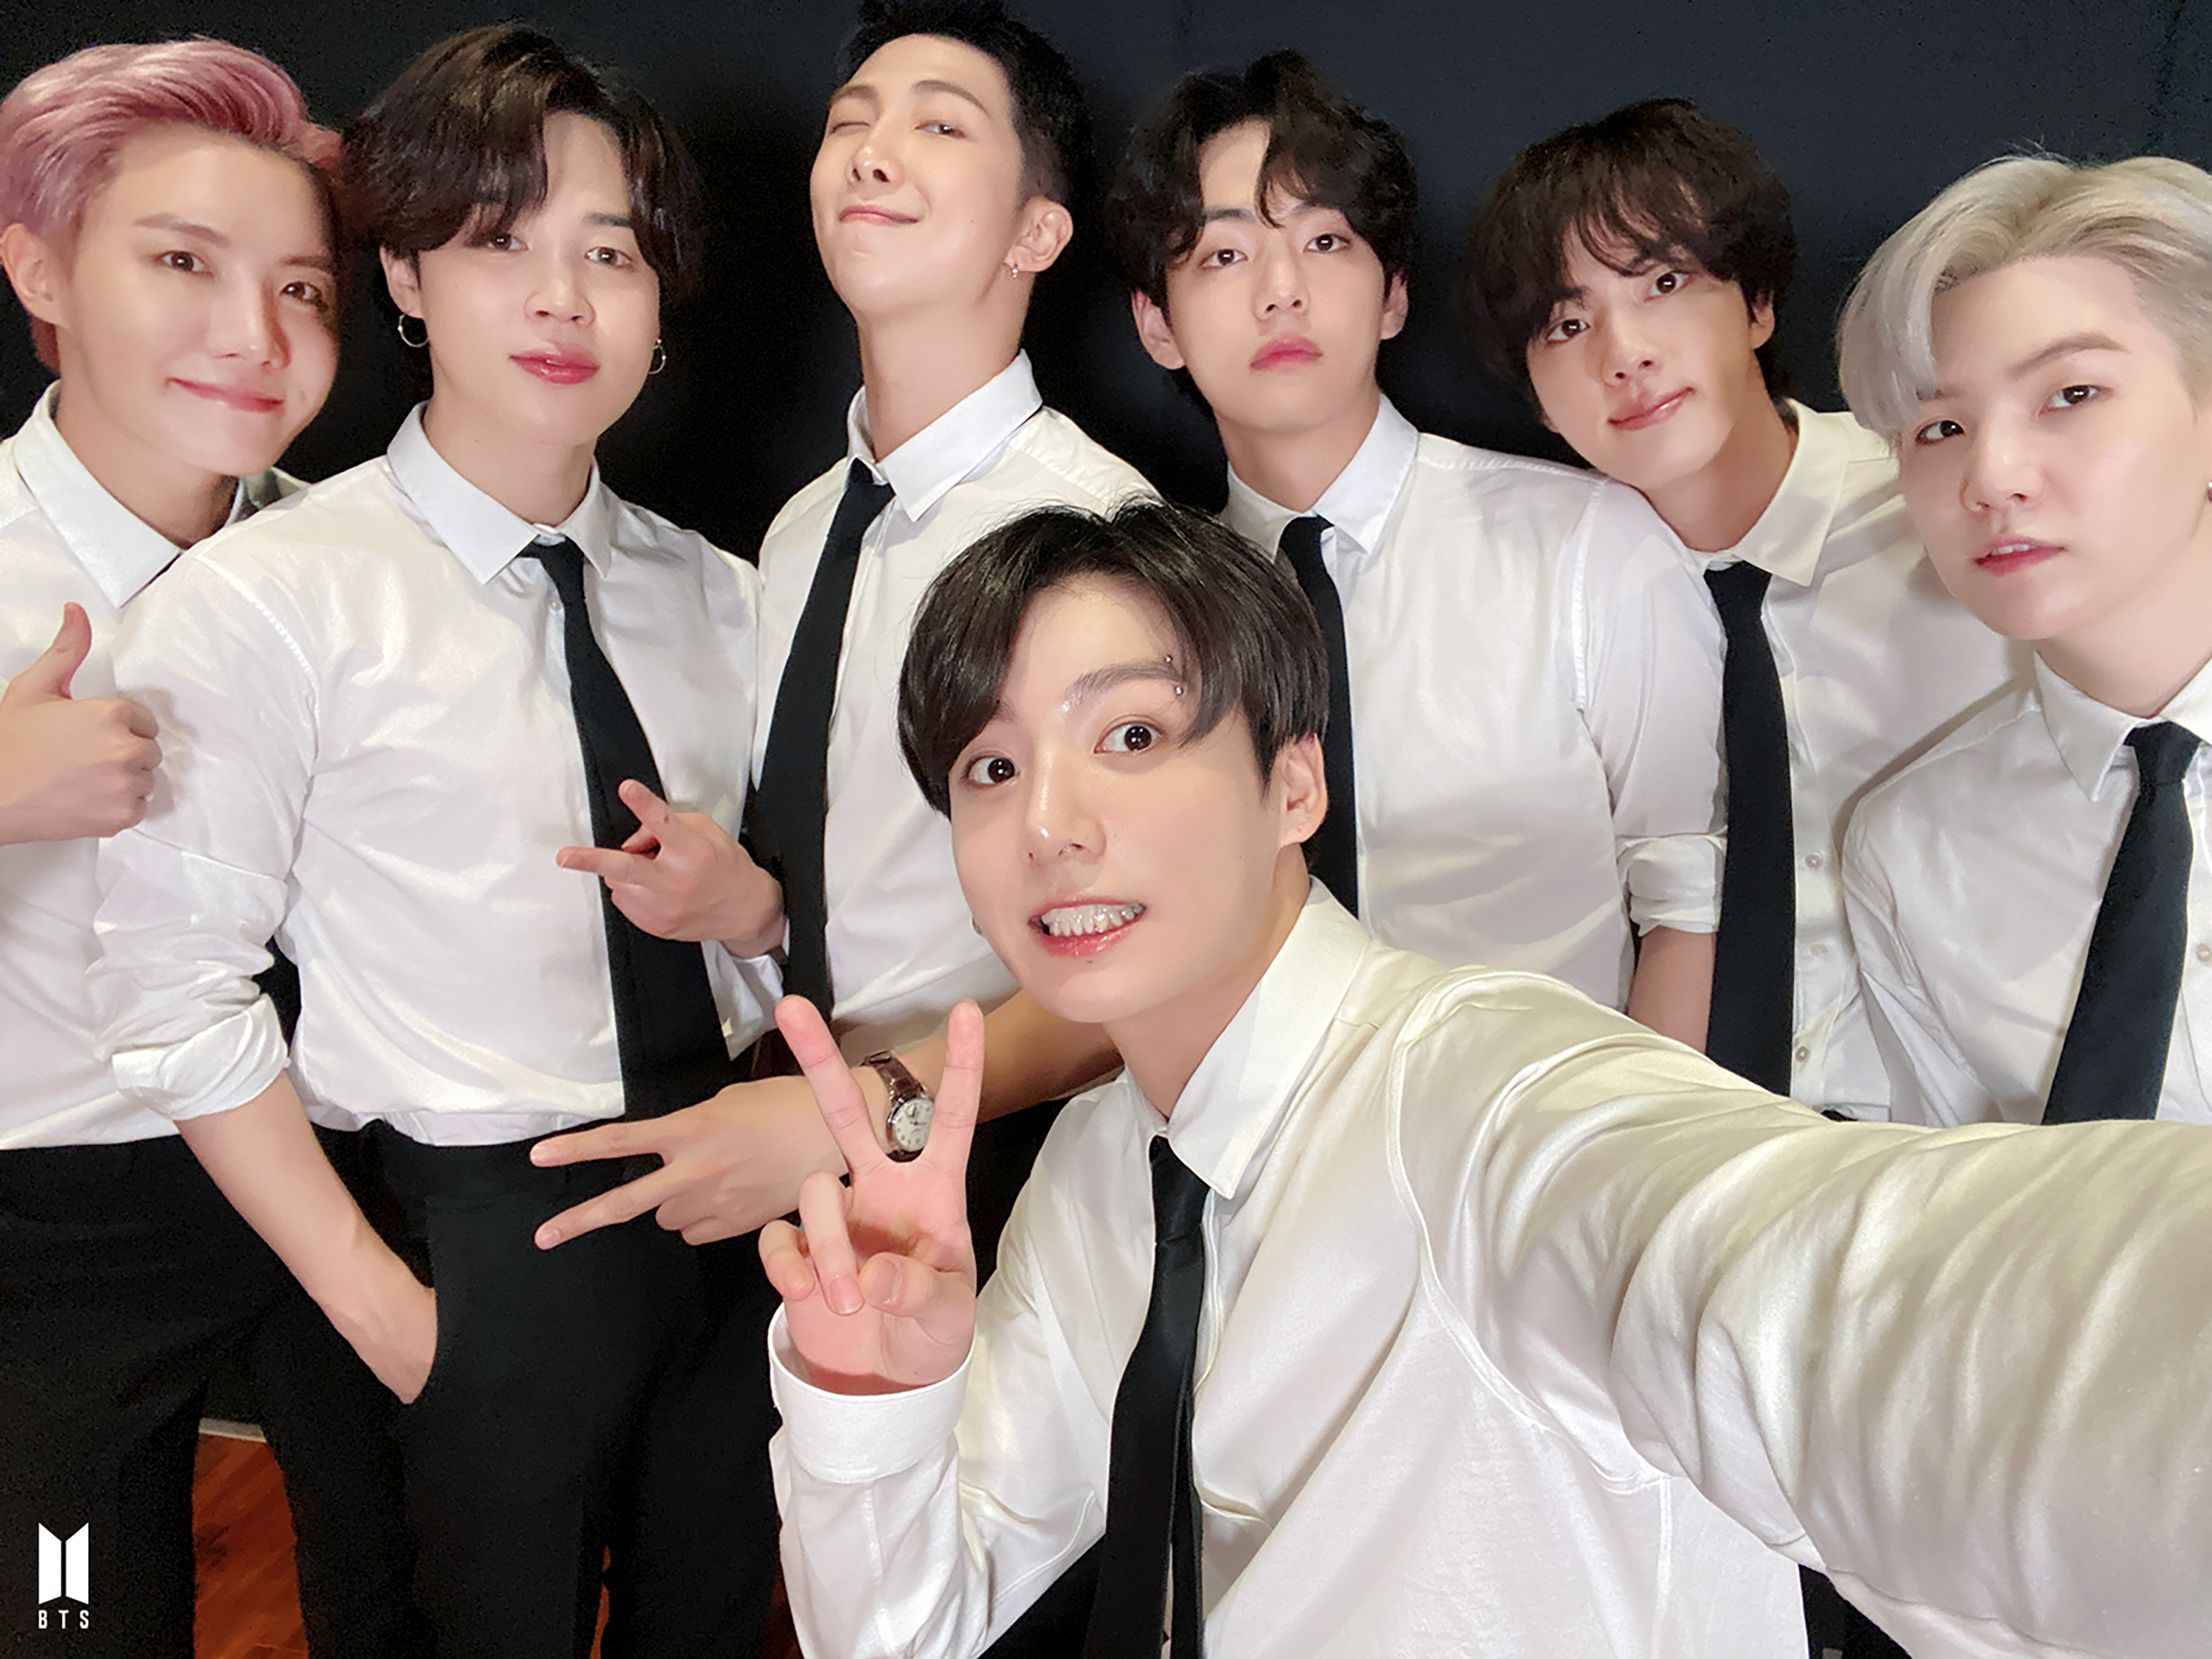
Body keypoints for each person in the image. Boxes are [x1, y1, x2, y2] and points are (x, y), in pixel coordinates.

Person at [765, 498, 2212, 1659]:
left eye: (1130, 736)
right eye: (990, 769)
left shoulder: (1485, 1092)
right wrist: (868, 1395)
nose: (1049, 824)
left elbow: (1844, 1295)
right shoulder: (1102, 1169)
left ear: (1294, 785)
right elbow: (901, 1632)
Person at [91, 27, 781, 1657]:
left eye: (609, 253)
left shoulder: (726, 596)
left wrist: (754, 907)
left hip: (732, 1199)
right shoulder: (269, 599)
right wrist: (390, 1315)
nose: (562, 301)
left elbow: (808, 928)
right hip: (471, 1232)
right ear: (403, 272)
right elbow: (170, 995)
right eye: (500, 242)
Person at [528, 0, 1148, 1270]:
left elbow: (1154, 955)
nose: (872, 154)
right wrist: (754, 910)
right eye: (850, 123)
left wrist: (855, 1113)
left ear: (1037, 231)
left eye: (939, 127)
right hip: (793, 1138)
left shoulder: (1098, 537)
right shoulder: (809, 527)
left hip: (1018, 1157)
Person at [0, 40, 422, 1659]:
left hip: (338, 1165)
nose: (255, 334)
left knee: (405, 1594)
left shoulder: (356, 559)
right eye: (183, 263)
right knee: (73, 1611)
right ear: (42, 269)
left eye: (302, 289)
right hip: (62, 1220)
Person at [1102, 52, 1722, 1037]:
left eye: (1325, 241)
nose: (1280, 291)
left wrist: (1644, 1131)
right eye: (1223, 255)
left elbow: (1687, 894)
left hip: (1542, 1114)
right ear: (1156, 326)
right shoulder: (1147, 618)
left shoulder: (1584, 543)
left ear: (1393, 295)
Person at [1460, 98, 2025, 1114]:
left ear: (1758, 305)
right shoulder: (1550, 595)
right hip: (1702, 1130)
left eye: (1664, 283)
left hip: (1983, 1133)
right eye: (1568, 323)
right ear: (1536, 396)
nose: (1623, 353)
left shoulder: (1946, 510)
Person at [1837, 154, 2212, 1130]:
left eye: (2072, 394)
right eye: (1940, 428)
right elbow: (1974, 1199)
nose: (1991, 476)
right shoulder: (1914, 849)